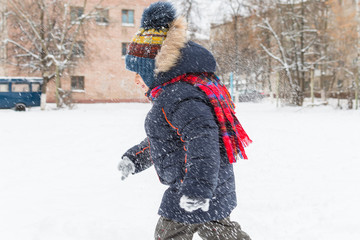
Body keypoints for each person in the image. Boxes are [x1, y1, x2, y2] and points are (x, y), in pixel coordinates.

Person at [118, 2, 252, 239]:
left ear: (154, 70)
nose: (136, 81)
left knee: (169, 235)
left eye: (139, 73)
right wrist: (134, 158)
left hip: (193, 188)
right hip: (207, 185)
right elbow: (166, 140)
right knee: (220, 232)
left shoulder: (178, 96)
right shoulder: (175, 94)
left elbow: (203, 139)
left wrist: (198, 189)